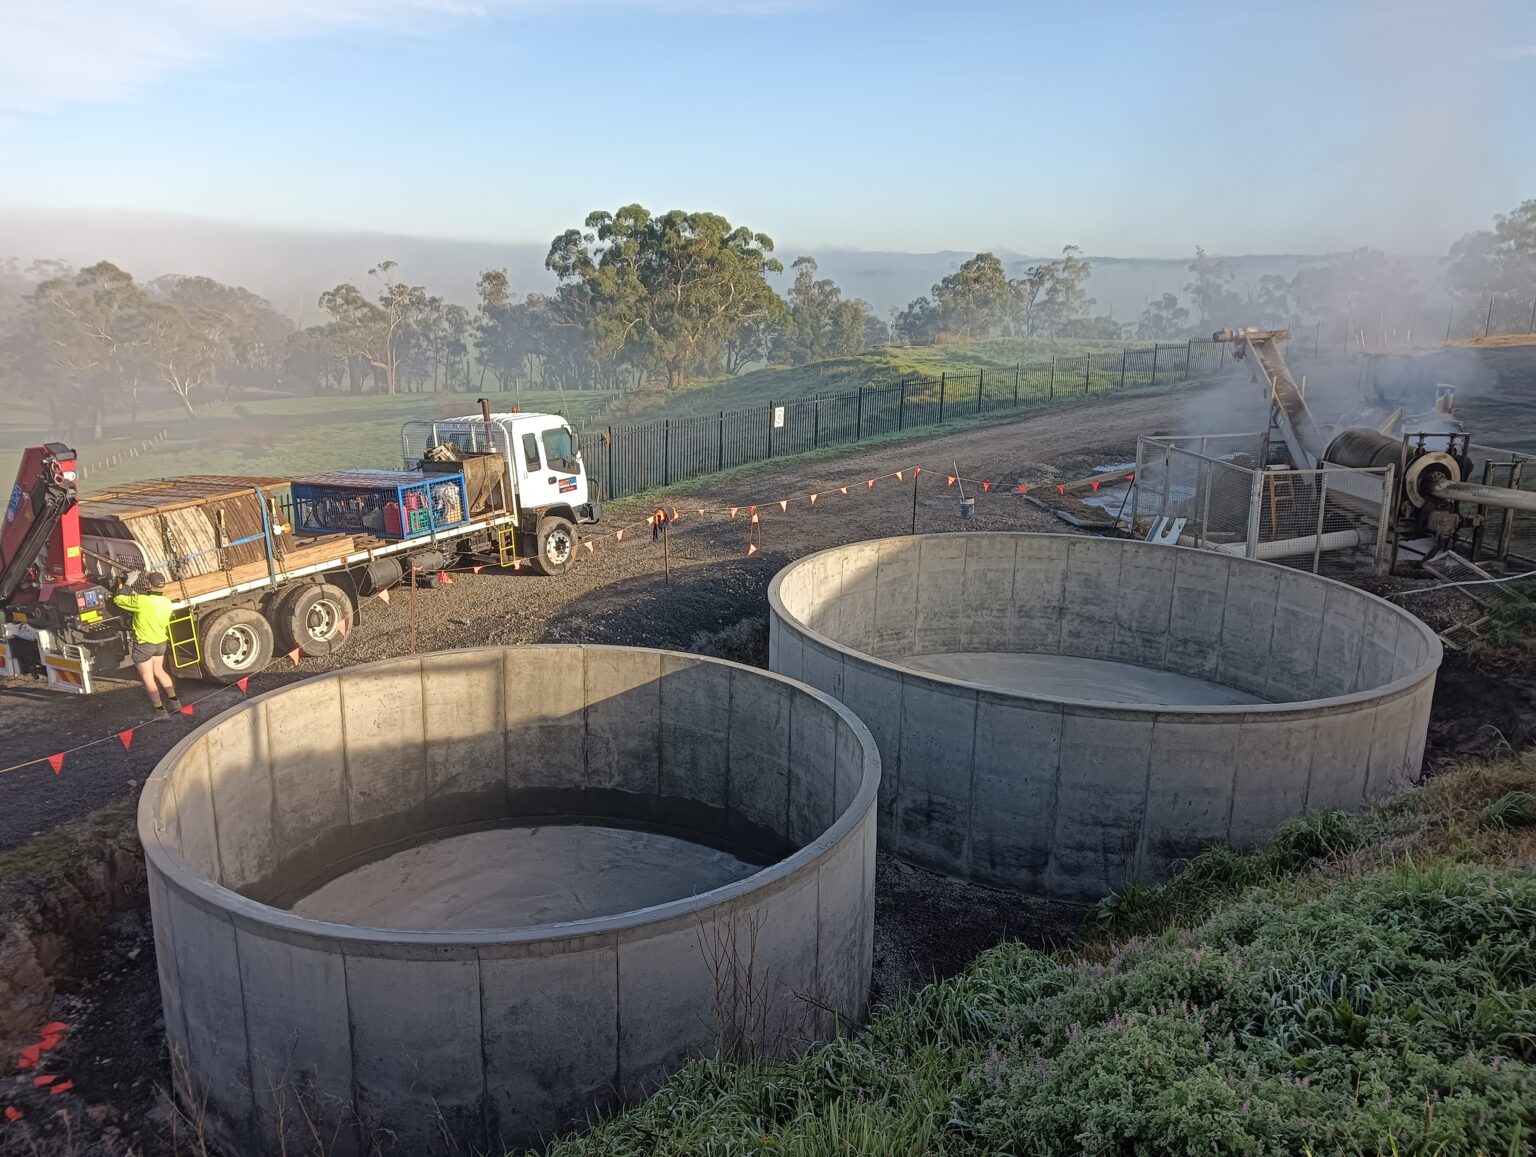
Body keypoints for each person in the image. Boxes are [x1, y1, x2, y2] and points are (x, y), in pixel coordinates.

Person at [113, 572, 179, 712]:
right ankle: (175, 703)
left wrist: (128, 583)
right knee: (160, 671)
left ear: (149, 585)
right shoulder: (166, 602)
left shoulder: (142, 602)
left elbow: (118, 600)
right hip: (160, 643)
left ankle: (160, 711)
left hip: (144, 645)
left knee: (148, 678)